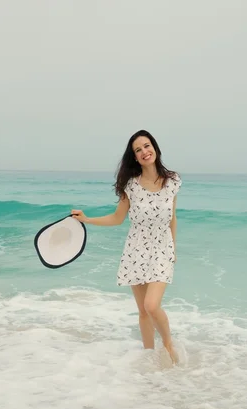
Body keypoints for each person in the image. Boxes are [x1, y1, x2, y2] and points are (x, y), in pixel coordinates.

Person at [71, 129, 182, 363]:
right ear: (134, 157)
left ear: (155, 147)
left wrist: (174, 248)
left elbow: (172, 217)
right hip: (135, 251)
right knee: (143, 310)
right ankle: (149, 357)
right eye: (138, 150)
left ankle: (169, 346)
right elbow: (117, 218)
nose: (144, 151)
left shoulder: (172, 180)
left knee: (152, 305)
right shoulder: (131, 186)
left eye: (147, 146)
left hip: (162, 249)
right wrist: (87, 219)